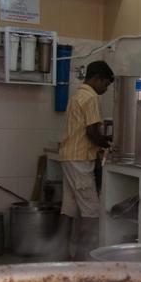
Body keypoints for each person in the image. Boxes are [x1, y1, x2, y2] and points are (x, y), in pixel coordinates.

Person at [58, 61, 114, 260]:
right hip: (80, 160)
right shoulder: (91, 97)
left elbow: (85, 130)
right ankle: (83, 258)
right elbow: (91, 132)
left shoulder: (77, 95)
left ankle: (60, 252)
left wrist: (103, 140)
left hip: (68, 157)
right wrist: (107, 144)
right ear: (97, 79)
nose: (105, 89)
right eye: (106, 84)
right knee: (91, 211)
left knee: (69, 209)